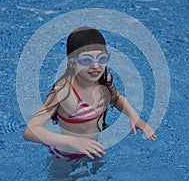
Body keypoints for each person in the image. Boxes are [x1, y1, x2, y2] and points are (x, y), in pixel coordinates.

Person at [23, 26, 156, 161]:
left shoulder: (104, 79)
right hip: (65, 156)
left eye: (101, 58)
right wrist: (73, 141)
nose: (96, 66)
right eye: (86, 60)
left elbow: (116, 99)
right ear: (71, 61)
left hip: (95, 149)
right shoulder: (64, 90)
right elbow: (30, 131)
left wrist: (134, 116)